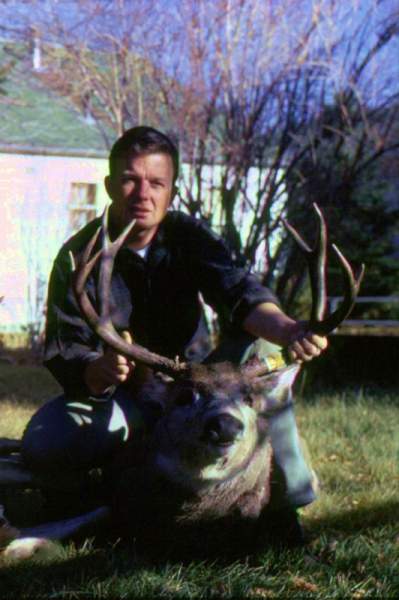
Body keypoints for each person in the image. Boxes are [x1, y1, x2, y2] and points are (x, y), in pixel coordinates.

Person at [21, 126, 327, 540]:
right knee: (47, 441)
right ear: (110, 184)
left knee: (268, 347)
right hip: (128, 396)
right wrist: (101, 368)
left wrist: (291, 329)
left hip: (203, 388)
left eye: (156, 182)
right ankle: (82, 494)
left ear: (172, 190)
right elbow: (65, 347)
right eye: (130, 179)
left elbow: (239, 292)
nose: (142, 193)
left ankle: (289, 499)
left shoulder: (189, 237)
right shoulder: (80, 255)